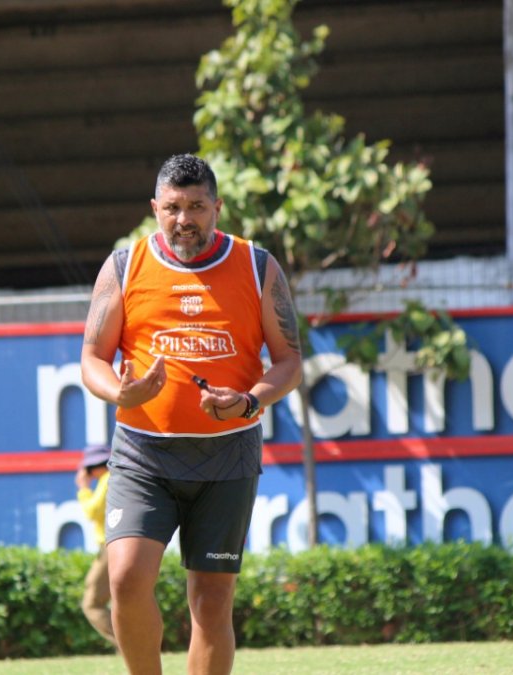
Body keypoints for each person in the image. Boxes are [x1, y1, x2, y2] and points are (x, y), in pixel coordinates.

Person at [80, 153, 303, 675]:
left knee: (210, 602)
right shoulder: (124, 266)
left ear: (217, 208)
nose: (185, 219)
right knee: (126, 580)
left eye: (197, 206)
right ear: (155, 208)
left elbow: (290, 361)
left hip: (228, 453)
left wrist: (250, 400)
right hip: (143, 453)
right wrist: (122, 394)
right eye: (174, 207)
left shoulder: (257, 265)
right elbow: (92, 358)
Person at [76, 443, 117, 647]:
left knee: (92, 604)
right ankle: (131, 644)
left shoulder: (108, 479)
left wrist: (83, 489)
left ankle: (128, 645)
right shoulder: (111, 477)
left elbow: (92, 511)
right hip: (111, 545)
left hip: (111, 546)